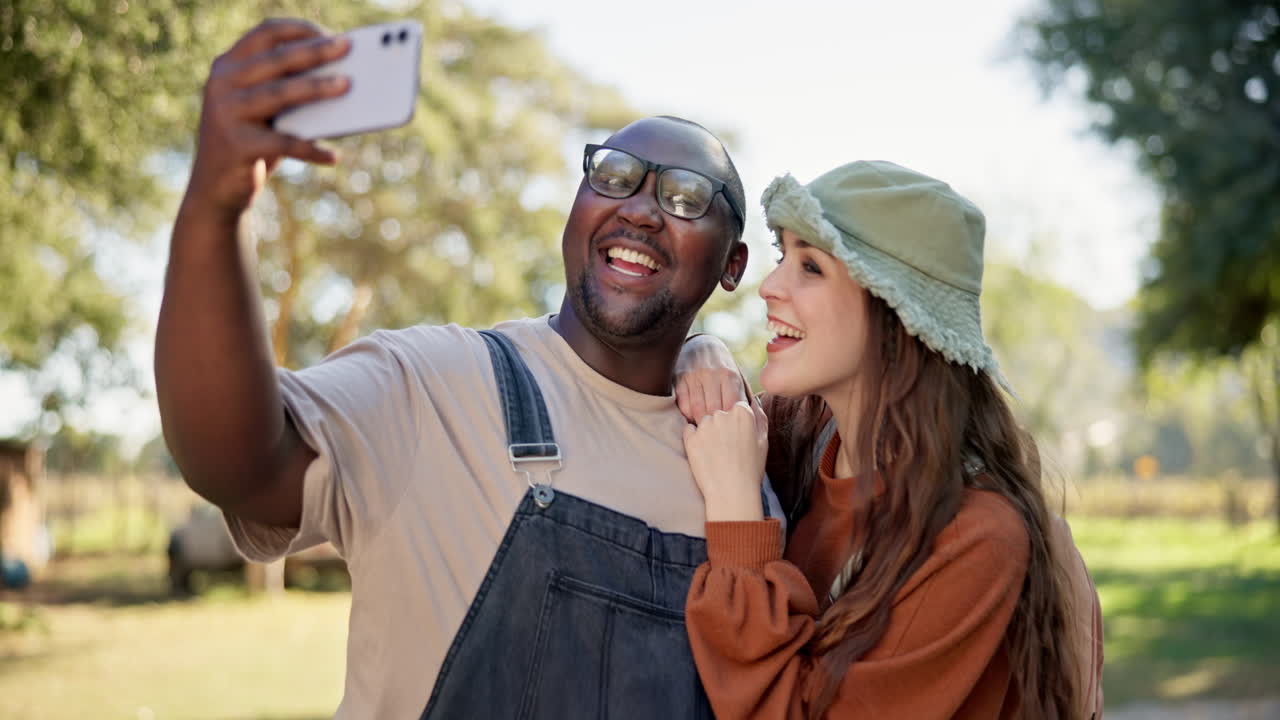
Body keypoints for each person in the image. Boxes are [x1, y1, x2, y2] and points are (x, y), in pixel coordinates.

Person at [154, 19, 759, 718]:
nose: (642, 210)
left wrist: (709, 352)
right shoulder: (433, 382)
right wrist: (214, 210)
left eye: (685, 197)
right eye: (615, 176)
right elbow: (237, 466)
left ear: (733, 265)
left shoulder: (742, 458)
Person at [675, 161, 1105, 718]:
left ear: (896, 316)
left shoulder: (975, 538)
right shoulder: (798, 435)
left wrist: (736, 521)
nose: (770, 285)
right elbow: (718, 403)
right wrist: (702, 351)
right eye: (783, 256)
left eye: (810, 266)